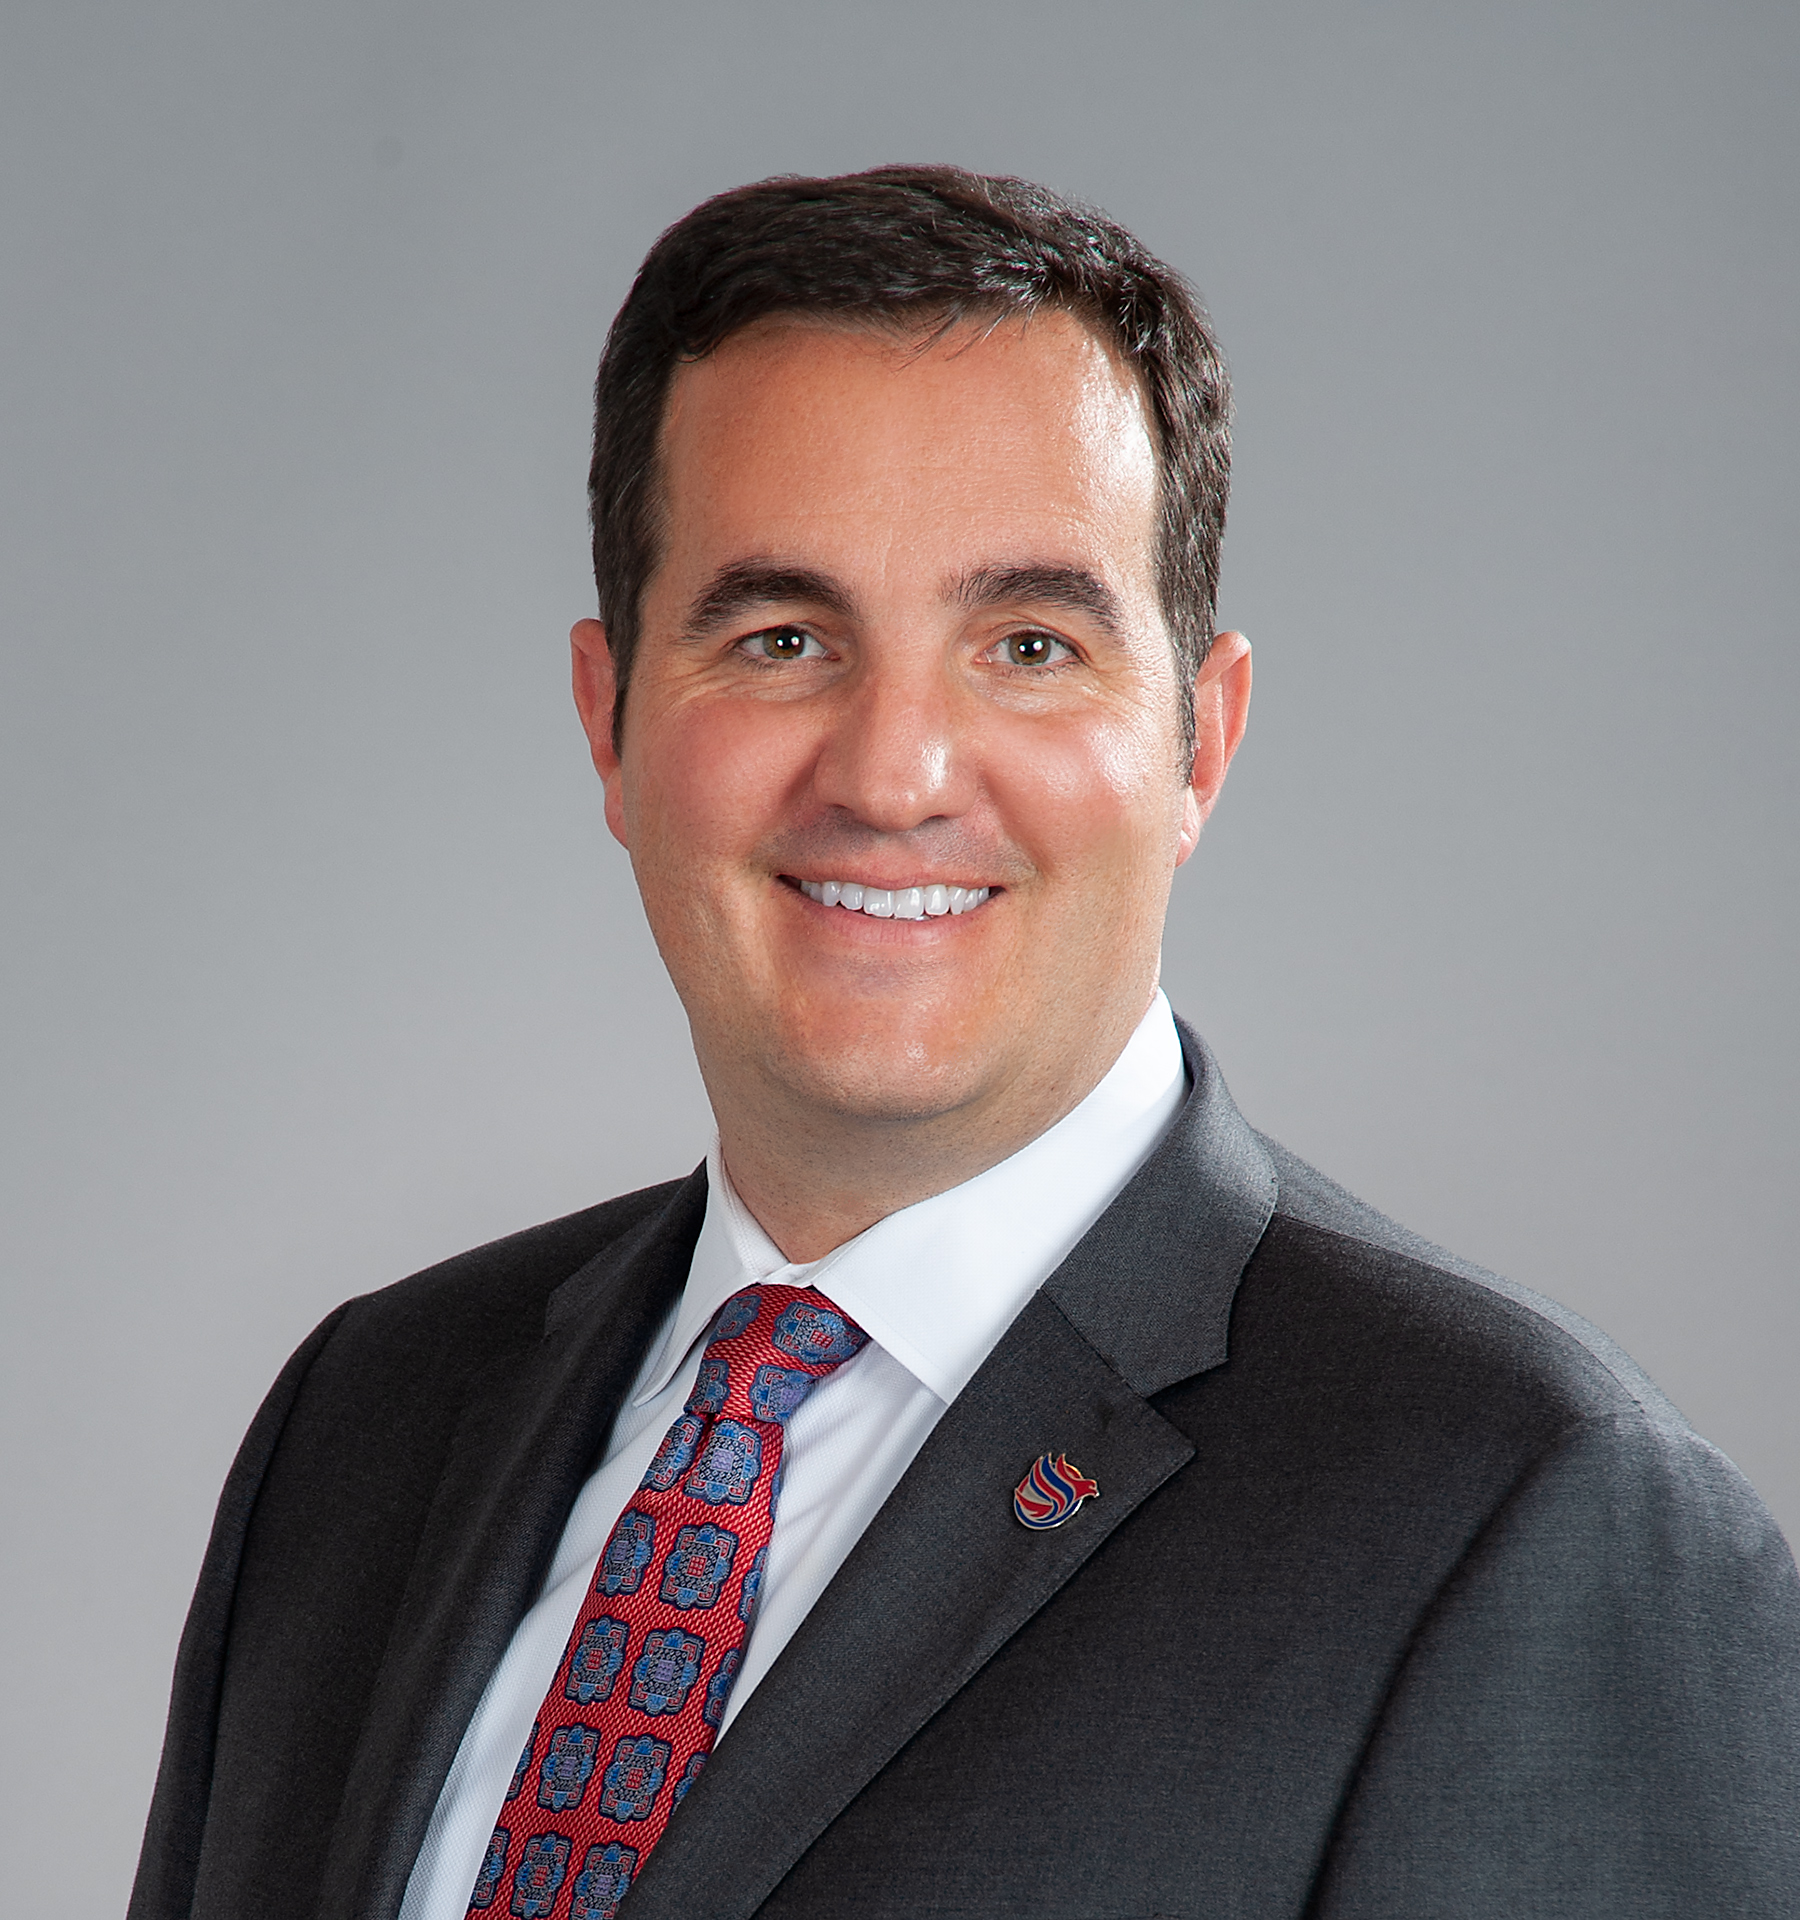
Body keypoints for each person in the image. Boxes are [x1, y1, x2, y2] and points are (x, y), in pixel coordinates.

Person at [129, 167, 1800, 1920]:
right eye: (783, 639)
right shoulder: (364, 1424)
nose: (894, 774)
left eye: (1027, 644)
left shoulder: (1527, 1517)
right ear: (610, 722)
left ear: (1200, 744)